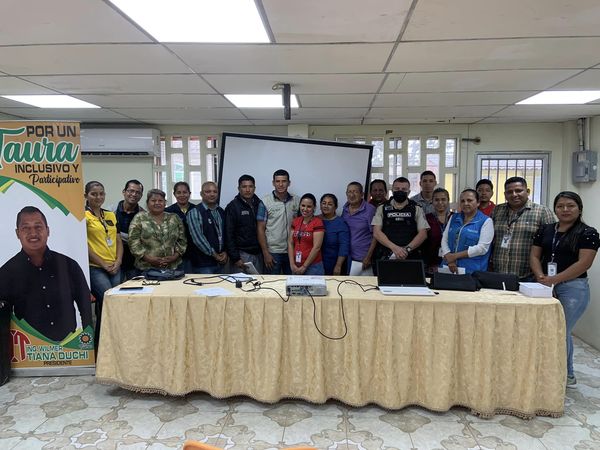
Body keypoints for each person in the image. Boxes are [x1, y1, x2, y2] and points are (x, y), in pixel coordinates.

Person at [530, 191, 599, 388]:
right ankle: (545, 370)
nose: (565, 210)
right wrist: (541, 277)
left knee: (561, 330)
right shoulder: (546, 229)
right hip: (544, 284)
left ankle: (567, 374)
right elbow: (534, 256)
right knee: (545, 329)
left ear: (579, 209)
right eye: (560, 206)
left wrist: (554, 280)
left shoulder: (588, 233)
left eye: (570, 206)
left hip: (573, 288)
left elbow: (584, 263)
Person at [0, 206, 92, 342]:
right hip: (29, 349)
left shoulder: (68, 265)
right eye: (26, 228)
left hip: (69, 348)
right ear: (17, 233)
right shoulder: (7, 272)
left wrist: (88, 342)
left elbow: (85, 306)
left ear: (48, 231)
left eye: (38, 227)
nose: (33, 233)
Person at [490, 176, 555, 280]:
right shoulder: (497, 211)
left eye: (518, 190)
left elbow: (551, 245)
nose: (514, 194)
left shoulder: (542, 212)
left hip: (529, 276)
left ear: (527, 191)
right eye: (509, 192)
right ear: (505, 194)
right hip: (498, 274)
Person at [84, 181, 123, 350]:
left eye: (101, 193)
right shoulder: (83, 216)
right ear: (86, 196)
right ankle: (103, 346)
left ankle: (107, 345)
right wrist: (102, 263)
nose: (98, 197)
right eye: (94, 194)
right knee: (109, 301)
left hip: (115, 266)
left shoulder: (110, 215)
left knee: (109, 307)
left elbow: (118, 240)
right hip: (96, 267)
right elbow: (84, 245)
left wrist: (118, 261)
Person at [372, 177, 429, 273]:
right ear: (392, 190)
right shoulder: (382, 208)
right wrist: (394, 248)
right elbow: (376, 233)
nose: (400, 191)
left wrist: (406, 250)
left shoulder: (416, 208)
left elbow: (423, 234)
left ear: (409, 192)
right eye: (397, 189)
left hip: (410, 256)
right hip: (387, 256)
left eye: (403, 189)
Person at [128, 189, 187, 273]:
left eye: (160, 201)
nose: (157, 203)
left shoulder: (174, 218)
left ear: (165, 203)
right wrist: (148, 258)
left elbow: (182, 240)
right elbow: (133, 241)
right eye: (153, 200)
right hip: (146, 268)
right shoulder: (139, 218)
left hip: (173, 267)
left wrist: (175, 256)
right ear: (147, 203)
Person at [441, 189, 494, 274]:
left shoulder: (486, 221)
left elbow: (482, 248)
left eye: (469, 200)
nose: (465, 203)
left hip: (472, 270)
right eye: (462, 201)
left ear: (478, 203)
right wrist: (449, 258)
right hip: (449, 266)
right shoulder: (453, 217)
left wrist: (454, 256)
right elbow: (444, 239)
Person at [258, 169, 299, 275]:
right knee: (272, 282)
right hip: (273, 251)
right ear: (273, 183)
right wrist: (265, 253)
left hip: (292, 250)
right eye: (278, 181)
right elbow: (260, 229)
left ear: (289, 183)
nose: (281, 184)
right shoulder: (265, 202)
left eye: (284, 181)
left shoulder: (297, 201)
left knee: (292, 282)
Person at [225, 174, 267, 273]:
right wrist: (235, 258)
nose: (248, 190)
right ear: (239, 188)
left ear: (254, 188)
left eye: (250, 186)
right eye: (244, 187)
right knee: (240, 282)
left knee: (258, 281)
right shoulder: (232, 207)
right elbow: (228, 234)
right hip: (241, 254)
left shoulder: (260, 204)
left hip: (258, 254)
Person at [186, 181, 228, 274]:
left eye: (215, 191)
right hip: (203, 264)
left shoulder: (221, 211)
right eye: (208, 192)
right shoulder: (195, 212)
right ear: (201, 194)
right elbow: (198, 239)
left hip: (221, 261)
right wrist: (215, 255)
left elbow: (225, 234)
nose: (212, 194)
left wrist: (225, 251)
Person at [342, 181, 377, 276]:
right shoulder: (345, 209)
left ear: (362, 194)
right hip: (347, 258)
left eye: (355, 192)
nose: (352, 195)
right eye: (349, 192)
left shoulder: (370, 210)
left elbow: (376, 235)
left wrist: (368, 257)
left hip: (363, 259)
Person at [114, 179, 144, 280]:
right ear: (124, 192)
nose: (134, 194)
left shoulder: (143, 215)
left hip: (134, 262)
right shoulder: (111, 211)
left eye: (138, 192)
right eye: (131, 191)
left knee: (135, 287)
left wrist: (119, 236)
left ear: (141, 196)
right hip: (114, 260)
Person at [288, 193, 325, 275]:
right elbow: (290, 243)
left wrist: (304, 267)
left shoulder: (317, 222)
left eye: (309, 206)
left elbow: (317, 247)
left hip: (313, 266)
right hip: (296, 265)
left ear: (314, 208)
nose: (305, 209)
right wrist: (292, 263)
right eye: (303, 205)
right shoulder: (296, 221)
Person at [165, 181, 196, 272]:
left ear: (189, 194)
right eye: (178, 192)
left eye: (185, 192)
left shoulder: (196, 209)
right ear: (174, 194)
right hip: (174, 255)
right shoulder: (168, 211)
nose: (182, 195)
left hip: (194, 255)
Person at [319, 193, 350, 275]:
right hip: (315, 264)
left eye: (330, 204)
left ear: (335, 207)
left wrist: (338, 265)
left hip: (333, 263)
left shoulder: (341, 223)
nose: (326, 206)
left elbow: (344, 246)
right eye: (324, 203)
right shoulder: (315, 219)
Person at [424, 187, 453, 274]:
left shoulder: (456, 218)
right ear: (432, 201)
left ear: (448, 201)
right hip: (431, 264)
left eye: (443, 199)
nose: (440, 202)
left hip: (452, 262)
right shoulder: (426, 218)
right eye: (436, 200)